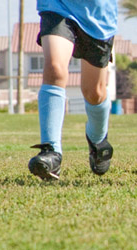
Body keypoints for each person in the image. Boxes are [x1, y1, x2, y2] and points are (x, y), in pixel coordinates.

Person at [28, 0, 118, 180]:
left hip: (98, 15)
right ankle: (51, 151)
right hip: (58, 6)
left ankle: (98, 139)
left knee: (95, 92)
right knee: (55, 68)